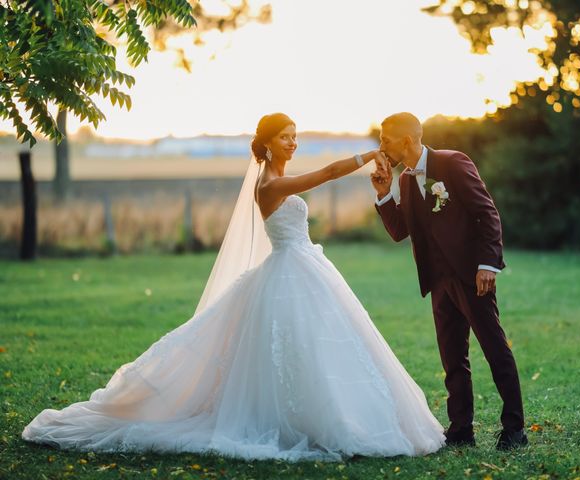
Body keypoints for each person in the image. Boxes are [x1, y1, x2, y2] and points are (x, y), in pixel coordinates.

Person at [22, 113, 445, 462]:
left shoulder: (278, 175)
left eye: (296, 136)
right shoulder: (270, 185)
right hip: (288, 271)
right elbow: (329, 173)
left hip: (305, 266)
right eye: (286, 137)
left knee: (321, 344)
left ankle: (327, 413)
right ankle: (301, 419)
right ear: (267, 144)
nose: (293, 143)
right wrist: (371, 153)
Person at [370, 112, 527, 450]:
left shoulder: (452, 163)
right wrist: (384, 194)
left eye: (386, 140)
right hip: (438, 281)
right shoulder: (407, 181)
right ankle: (461, 429)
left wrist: (488, 264)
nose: (381, 146)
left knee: (495, 349)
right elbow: (400, 230)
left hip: (472, 276)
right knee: (453, 358)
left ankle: (515, 429)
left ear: (407, 141)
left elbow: (487, 212)